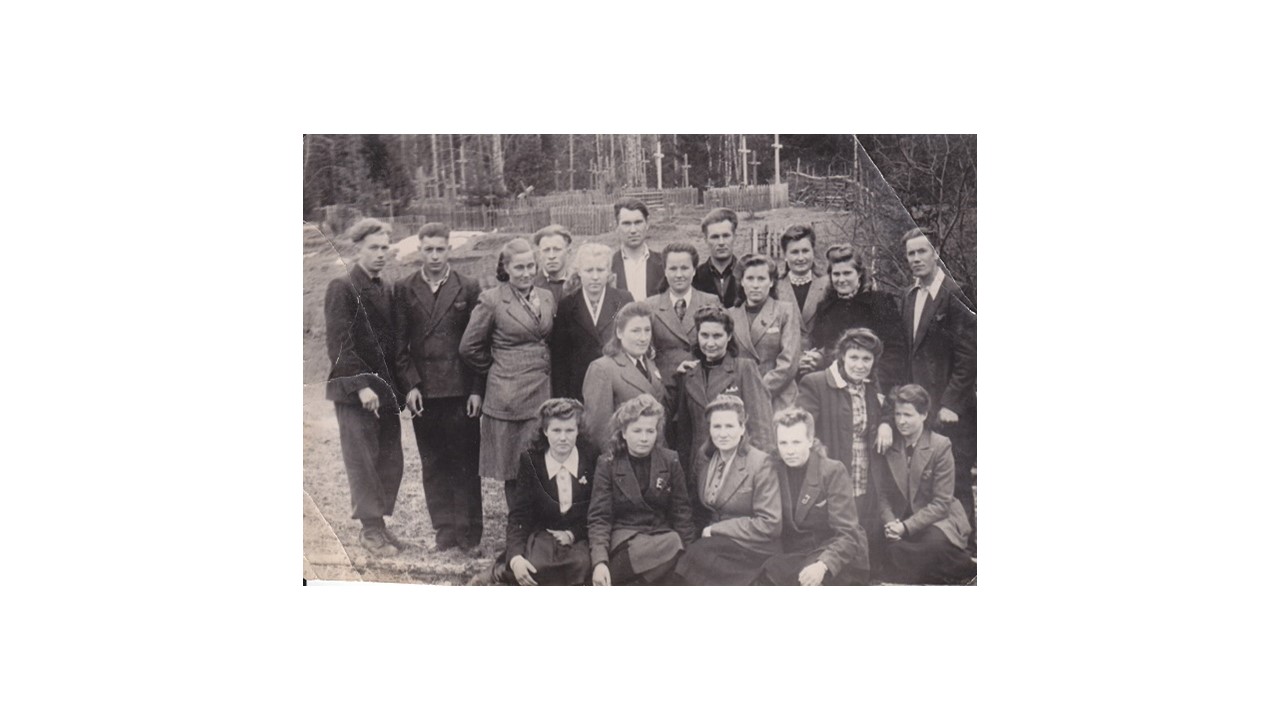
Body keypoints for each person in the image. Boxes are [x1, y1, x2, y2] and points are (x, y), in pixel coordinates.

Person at [393, 222, 484, 551]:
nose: (434, 256)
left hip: (460, 391)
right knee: (433, 463)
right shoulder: (404, 288)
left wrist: (476, 390)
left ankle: (469, 533)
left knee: (465, 462)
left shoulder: (468, 286)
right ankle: (444, 531)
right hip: (425, 393)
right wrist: (410, 386)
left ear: (450, 249)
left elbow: (478, 343)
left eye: (440, 249)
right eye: (428, 249)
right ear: (419, 250)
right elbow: (399, 345)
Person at [324, 219, 408, 556]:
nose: (381, 254)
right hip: (355, 393)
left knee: (389, 459)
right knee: (363, 461)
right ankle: (370, 530)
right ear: (357, 248)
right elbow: (339, 344)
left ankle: (379, 525)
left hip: (384, 391)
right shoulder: (342, 287)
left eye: (385, 247)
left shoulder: (386, 288)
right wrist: (360, 387)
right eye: (374, 247)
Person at [459, 237, 557, 511]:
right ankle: (519, 525)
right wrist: (497, 368)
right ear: (506, 268)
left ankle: (540, 526)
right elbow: (469, 347)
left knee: (541, 462)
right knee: (515, 467)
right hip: (510, 397)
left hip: (542, 392)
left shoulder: (546, 297)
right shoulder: (492, 300)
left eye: (530, 266)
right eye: (519, 267)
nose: (526, 273)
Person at [900, 227, 977, 546]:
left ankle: (967, 545)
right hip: (922, 408)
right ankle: (938, 544)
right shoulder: (910, 296)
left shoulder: (956, 294)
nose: (916, 258)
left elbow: (970, 356)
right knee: (930, 478)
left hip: (951, 411)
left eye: (922, 251)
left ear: (936, 254)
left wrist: (951, 404)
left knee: (956, 478)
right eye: (911, 253)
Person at [796, 327, 894, 573]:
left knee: (861, 536)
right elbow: (802, 429)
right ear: (842, 357)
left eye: (866, 359)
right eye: (854, 357)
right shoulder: (816, 383)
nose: (860, 365)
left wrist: (885, 423)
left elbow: (887, 408)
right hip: (833, 473)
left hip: (864, 471)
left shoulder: (871, 386)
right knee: (835, 534)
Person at [587, 394, 696, 586]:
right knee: (672, 546)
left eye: (650, 431)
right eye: (637, 431)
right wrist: (599, 561)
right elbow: (600, 517)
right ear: (624, 432)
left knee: (675, 544)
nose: (644, 438)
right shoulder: (608, 463)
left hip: (659, 536)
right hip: (626, 538)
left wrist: (691, 554)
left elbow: (682, 512)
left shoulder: (670, 460)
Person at [674, 394, 782, 585]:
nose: (723, 434)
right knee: (687, 559)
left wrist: (716, 529)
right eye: (717, 426)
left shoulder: (760, 463)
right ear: (709, 429)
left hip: (751, 547)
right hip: (713, 544)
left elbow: (770, 523)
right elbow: (696, 508)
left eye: (730, 426)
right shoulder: (704, 458)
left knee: (698, 558)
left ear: (742, 428)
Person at [873, 384, 975, 585]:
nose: (901, 421)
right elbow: (882, 494)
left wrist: (905, 527)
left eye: (908, 415)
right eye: (897, 414)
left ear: (923, 415)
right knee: (882, 546)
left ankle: (967, 568)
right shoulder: (890, 444)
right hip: (900, 519)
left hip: (937, 520)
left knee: (933, 545)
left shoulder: (940, 445)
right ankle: (936, 571)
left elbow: (941, 503)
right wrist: (891, 524)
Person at [490, 399, 598, 586]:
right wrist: (515, 558)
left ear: (578, 431)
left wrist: (573, 534)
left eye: (569, 430)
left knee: (582, 567)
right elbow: (519, 516)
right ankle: (503, 570)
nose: (563, 438)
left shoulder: (591, 456)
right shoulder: (531, 461)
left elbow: (596, 510)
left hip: (578, 536)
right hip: (543, 534)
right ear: (545, 431)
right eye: (556, 430)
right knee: (534, 567)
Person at [759, 408, 869, 585]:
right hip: (796, 553)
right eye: (783, 443)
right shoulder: (773, 469)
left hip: (833, 554)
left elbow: (848, 534)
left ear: (810, 440)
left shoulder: (832, 471)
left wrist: (823, 565)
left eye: (796, 442)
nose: (789, 451)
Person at [671, 305, 773, 483]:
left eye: (717, 336)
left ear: (729, 336)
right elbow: (683, 435)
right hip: (700, 469)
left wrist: (760, 473)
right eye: (704, 335)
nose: (710, 343)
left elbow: (761, 428)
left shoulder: (744, 369)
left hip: (738, 468)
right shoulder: (689, 374)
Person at [800, 243, 907, 390]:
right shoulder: (826, 308)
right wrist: (817, 358)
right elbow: (821, 347)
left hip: (871, 385)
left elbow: (895, 352)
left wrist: (874, 382)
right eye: (836, 274)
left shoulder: (880, 303)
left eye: (847, 273)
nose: (841, 279)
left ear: (859, 273)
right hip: (833, 387)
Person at [550, 242, 634, 401]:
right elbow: (560, 358)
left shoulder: (623, 299)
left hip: (618, 384)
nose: (595, 277)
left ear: (608, 271)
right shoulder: (567, 306)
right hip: (580, 389)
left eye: (600, 270)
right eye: (589, 270)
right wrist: (563, 398)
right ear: (579, 272)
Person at [579, 301, 666, 453]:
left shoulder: (651, 365)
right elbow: (598, 428)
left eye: (647, 330)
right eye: (636, 331)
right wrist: (615, 461)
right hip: (623, 457)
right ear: (619, 333)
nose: (643, 338)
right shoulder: (603, 368)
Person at [643, 242, 721, 394]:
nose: (679, 275)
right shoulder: (650, 306)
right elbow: (645, 353)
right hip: (666, 388)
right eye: (673, 269)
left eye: (684, 268)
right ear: (665, 271)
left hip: (703, 385)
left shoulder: (711, 302)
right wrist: (666, 374)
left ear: (694, 270)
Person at [727, 254, 802, 412]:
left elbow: (788, 362)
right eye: (750, 278)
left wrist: (757, 391)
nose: (755, 285)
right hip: (741, 397)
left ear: (771, 282)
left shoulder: (785, 311)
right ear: (741, 281)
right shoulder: (730, 315)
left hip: (779, 398)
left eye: (761, 279)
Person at [772, 224, 829, 349]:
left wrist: (819, 355)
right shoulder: (775, 288)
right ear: (785, 256)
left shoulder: (827, 285)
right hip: (785, 357)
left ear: (813, 252)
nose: (801, 258)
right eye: (794, 252)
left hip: (818, 357)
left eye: (805, 251)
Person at [610, 199, 666, 299]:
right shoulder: (608, 266)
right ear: (617, 226)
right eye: (626, 224)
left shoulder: (664, 264)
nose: (633, 230)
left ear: (647, 224)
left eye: (638, 222)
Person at [692, 207, 745, 307]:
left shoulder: (748, 274)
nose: (721, 242)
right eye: (715, 237)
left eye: (726, 236)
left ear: (734, 237)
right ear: (705, 240)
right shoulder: (694, 278)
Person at [532, 224, 579, 305]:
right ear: (539, 254)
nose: (551, 256)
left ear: (568, 252)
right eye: (546, 250)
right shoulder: (531, 285)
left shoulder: (578, 285)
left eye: (557, 250)